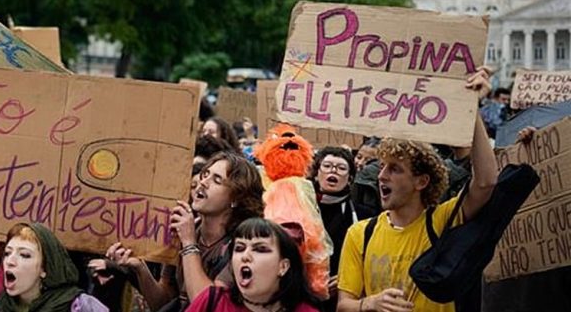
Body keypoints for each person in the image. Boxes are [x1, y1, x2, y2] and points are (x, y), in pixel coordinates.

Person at [336, 70, 498, 312]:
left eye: (395, 169)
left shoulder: (443, 222)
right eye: (382, 167)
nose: (381, 176)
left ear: (421, 182)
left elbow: (485, 182)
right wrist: (368, 303)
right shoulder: (360, 234)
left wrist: (471, 108)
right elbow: (343, 305)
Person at [106, 151, 264, 311]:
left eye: (216, 180)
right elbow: (163, 302)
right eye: (205, 175)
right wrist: (140, 268)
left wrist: (189, 243)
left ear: (236, 198)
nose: (203, 183)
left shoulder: (242, 246)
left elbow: (207, 306)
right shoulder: (183, 232)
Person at [187, 218, 319, 312]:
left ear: (283, 266)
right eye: (239, 248)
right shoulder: (212, 300)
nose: (245, 256)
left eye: (260, 249)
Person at [0, 222, 107, 312]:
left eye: (25, 255)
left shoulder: (79, 307)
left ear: (44, 268)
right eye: (7, 253)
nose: (10, 261)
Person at [310, 147, 375, 311]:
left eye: (341, 168)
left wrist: (347, 279)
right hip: (306, 295)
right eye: (327, 166)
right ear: (316, 173)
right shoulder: (301, 209)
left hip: (345, 298)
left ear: (350, 178)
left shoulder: (365, 216)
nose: (333, 171)